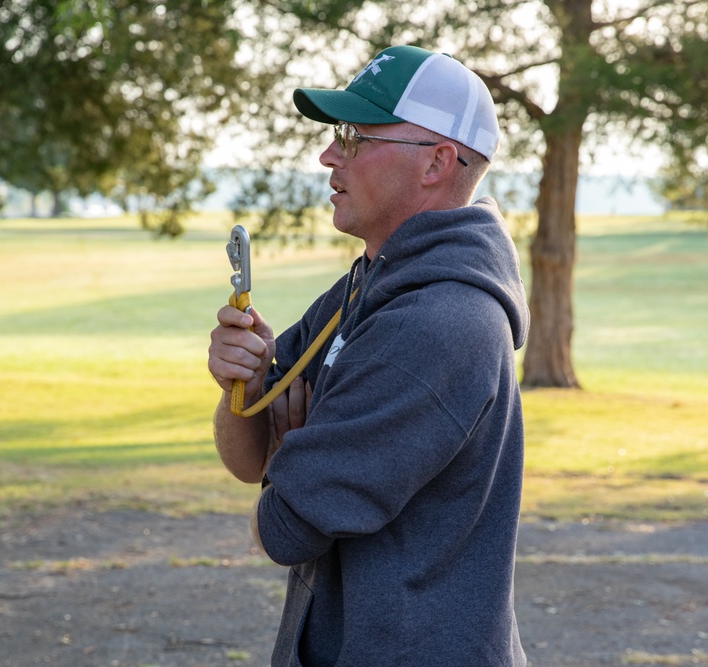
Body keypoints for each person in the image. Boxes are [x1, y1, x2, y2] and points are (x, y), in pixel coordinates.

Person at [207, 44, 529, 666]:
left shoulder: (438, 325)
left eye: (355, 136)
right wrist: (237, 387)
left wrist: (288, 452)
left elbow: (282, 529)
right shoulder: (368, 284)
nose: (329, 155)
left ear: (437, 162)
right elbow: (249, 461)